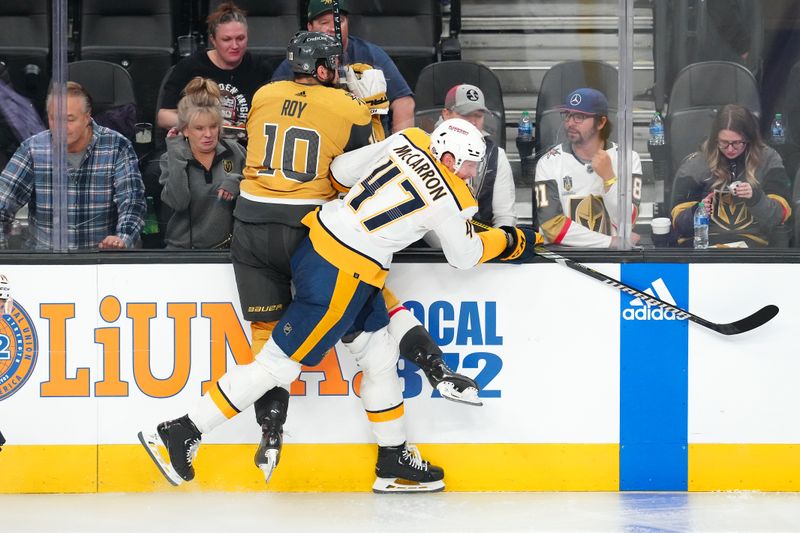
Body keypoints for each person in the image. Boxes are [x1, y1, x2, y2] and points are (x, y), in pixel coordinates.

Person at [138, 117, 541, 493]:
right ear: (449, 156)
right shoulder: (451, 197)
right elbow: (465, 255)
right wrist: (512, 240)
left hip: (320, 242)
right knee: (277, 363)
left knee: (379, 355)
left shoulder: (408, 139)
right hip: (343, 275)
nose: (471, 173)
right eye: (469, 164)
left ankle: (393, 459)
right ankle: (182, 430)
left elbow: (341, 172)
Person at [217, 31, 478, 489]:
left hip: (252, 223)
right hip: (314, 229)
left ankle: (271, 429)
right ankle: (429, 378)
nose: (337, 72)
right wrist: (372, 108)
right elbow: (361, 167)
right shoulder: (347, 106)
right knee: (375, 310)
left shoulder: (261, 94)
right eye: (332, 67)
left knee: (269, 338)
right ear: (321, 69)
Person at [0, 81, 145, 250]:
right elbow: (3, 200)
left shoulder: (117, 146)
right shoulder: (33, 149)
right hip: (45, 263)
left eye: (69, 119)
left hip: (101, 263)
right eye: (54, 118)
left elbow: (132, 202)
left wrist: (122, 238)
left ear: (87, 117)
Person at [271, 0, 415, 136]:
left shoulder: (371, 55)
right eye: (324, 22)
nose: (333, 28)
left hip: (369, 145)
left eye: (339, 21)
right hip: (317, 143)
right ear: (310, 27)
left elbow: (404, 103)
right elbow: (273, 107)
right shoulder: (296, 62)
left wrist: (397, 146)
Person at [534, 88, 642, 248]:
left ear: (601, 122)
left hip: (614, 260)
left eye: (579, 117)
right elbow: (552, 227)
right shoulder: (548, 162)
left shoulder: (628, 158)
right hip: (562, 262)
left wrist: (609, 179)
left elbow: (627, 222)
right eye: (568, 115)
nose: (570, 123)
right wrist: (610, 242)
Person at [671, 104, 791, 247]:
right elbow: (677, 223)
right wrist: (698, 210)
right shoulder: (696, 164)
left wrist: (755, 198)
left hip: (753, 246)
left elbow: (780, 216)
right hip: (703, 245)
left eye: (736, 143)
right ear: (715, 139)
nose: (730, 149)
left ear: (749, 139)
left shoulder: (768, 160)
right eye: (724, 142)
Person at [156, 2, 270, 136]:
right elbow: (164, 117)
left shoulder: (260, 68)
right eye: (226, 39)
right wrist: (202, 123)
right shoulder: (190, 67)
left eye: (240, 38)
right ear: (213, 40)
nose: (235, 45)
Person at [425, 84, 515, 250]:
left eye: (478, 115)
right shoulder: (424, 147)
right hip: (429, 255)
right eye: (465, 115)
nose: (473, 122)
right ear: (445, 114)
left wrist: (495, 246)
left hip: (481, 251)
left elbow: (504, 216)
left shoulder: (496, 155)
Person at [159, 77, 245, 249]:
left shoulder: (235, 152)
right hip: (182, 253)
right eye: (199, 128)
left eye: (213, 126)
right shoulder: (170, 159)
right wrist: (176, 154)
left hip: (227, 251)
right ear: (185, 130)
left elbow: (257, 182)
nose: (208, 134)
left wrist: (238, 182)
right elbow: (179, 202)